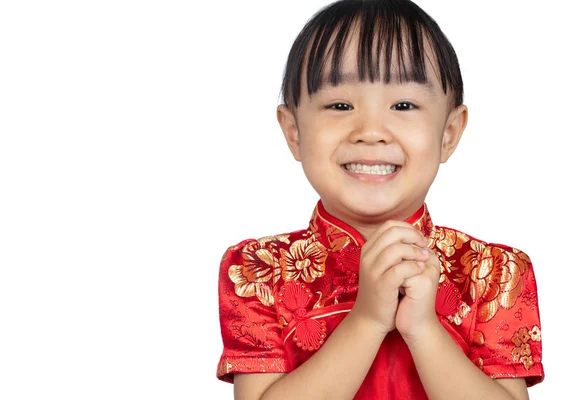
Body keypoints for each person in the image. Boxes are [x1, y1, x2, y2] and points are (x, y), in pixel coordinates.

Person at [215, 0, 544, 398]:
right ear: (293, 132)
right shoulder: (257, 269)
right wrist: (367, 319)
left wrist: (424, 328)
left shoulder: (494, 272)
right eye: (340, 105)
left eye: (404, 105)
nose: (371, 131)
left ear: (449, 133)